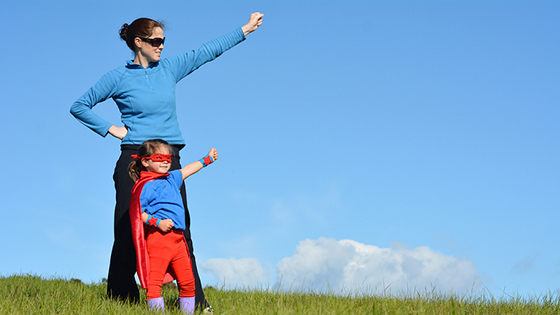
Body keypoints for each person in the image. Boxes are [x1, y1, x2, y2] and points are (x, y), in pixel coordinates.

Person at [70, 12, 263, 311]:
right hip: (134, 159)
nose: (161, 46)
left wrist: (245, 30)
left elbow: (205, 52)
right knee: (127, 228)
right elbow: (79, 105)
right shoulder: (117, 77)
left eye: (163, 41)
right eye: (156, 41)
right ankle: (122, 300)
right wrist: (111, 129)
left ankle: (197, 303)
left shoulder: (169, 68)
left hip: (169, 161)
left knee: (180, 229)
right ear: (138, 42)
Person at [128, 139, 218, 313]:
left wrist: (206, 160)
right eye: (159, 157)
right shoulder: (145, 186)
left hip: (178, 240)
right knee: (154, 284)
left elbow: (187, 170)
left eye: (168, 158)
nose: (165, 161)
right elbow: (138, 212)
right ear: (146, 162)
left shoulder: (171, 179)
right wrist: (157, 222)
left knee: (188, 282)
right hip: (158, 240)